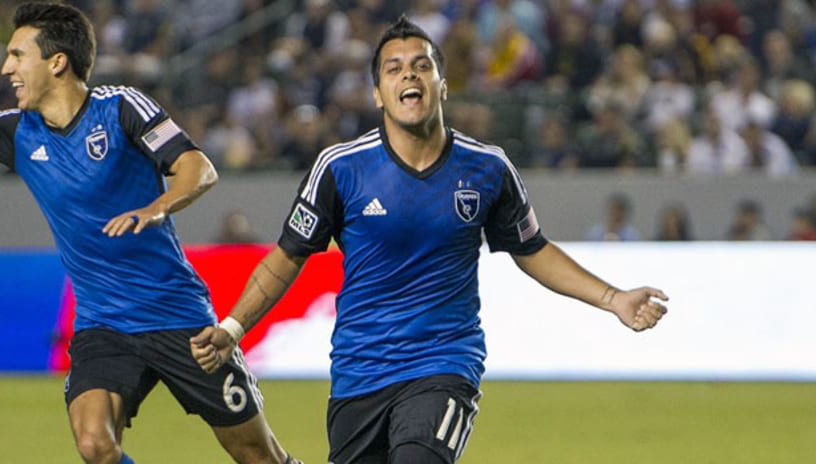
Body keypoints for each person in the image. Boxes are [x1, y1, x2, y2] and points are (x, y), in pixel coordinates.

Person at [191, 16, 668, 464]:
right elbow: (287, 258)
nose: (409, 76)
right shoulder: (339, 168)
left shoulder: (488, 168)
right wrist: (233, 329)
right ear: (378, 93)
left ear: (442, 83)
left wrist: (614, 299)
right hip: (359, 373)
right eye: (394, 69)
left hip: (444, 364)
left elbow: (533, 249)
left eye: (422, 65)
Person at [0, 4, 299, 464]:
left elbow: (198, 167)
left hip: (177, 316)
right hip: (103, 324)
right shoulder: (17, 132)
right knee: (95, 443)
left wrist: (158, 206)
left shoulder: (120, 108)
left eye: (18, 55)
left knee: (259, 455)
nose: (6, 67)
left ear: (57, 62)